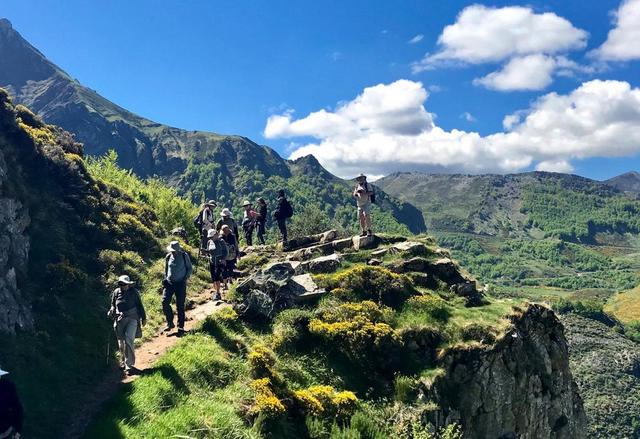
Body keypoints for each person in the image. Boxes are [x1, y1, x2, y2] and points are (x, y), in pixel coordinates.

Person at [107, 275, 146, 376]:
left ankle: (129, 365)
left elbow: (140, 305)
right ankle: (123, 360)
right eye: (120, 284)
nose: (122, 286)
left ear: (128, 284)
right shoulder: (116, 292)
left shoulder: (134, 292)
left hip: (132, 318)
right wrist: (111, 310)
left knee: (129, 340)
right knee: (121, 343)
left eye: (124, 284)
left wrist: (143, 318)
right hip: (120, 319)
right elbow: (113, 304)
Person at [162, 241, 193, 336]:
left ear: (178, 250)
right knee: (164, 302)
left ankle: (181, 327)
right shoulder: (168, 256)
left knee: (180, 305)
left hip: (180, 283)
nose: (173, 252)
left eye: (174, 251)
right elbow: (166, 269)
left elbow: (189, 268)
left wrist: (185, 278)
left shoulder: (184, 256)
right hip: (169, 283)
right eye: (172, 251)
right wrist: (165, 278)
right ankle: (170, 323)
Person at [0, 367, 23, 439]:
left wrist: (18, 431)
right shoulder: (8, 386)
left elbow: (17, 408)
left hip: (4, 430)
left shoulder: (8, 387)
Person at [206, 230, 228, 301]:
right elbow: (209, 251)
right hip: (212, 262)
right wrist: (206, 252)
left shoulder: (221, 241)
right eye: (210, 237)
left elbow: (226, 251)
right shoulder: (209, 242)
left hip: (219, 262)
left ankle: (218, 293)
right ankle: (216, 292)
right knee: (213, 278)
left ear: (216, 235)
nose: (210, 238)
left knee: (217, 277)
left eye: (211, 237)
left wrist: (223, 259)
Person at [220, 224, 238, 288]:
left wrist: (237, 253)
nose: (226, 232)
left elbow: (236, 245)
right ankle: (225, 284)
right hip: (224, 256)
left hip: (231, 255)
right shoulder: (221, 237)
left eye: (227, 230)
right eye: (225, 231)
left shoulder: (232, 236)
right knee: (224, 269)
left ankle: (230, 280)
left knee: (230, 268)